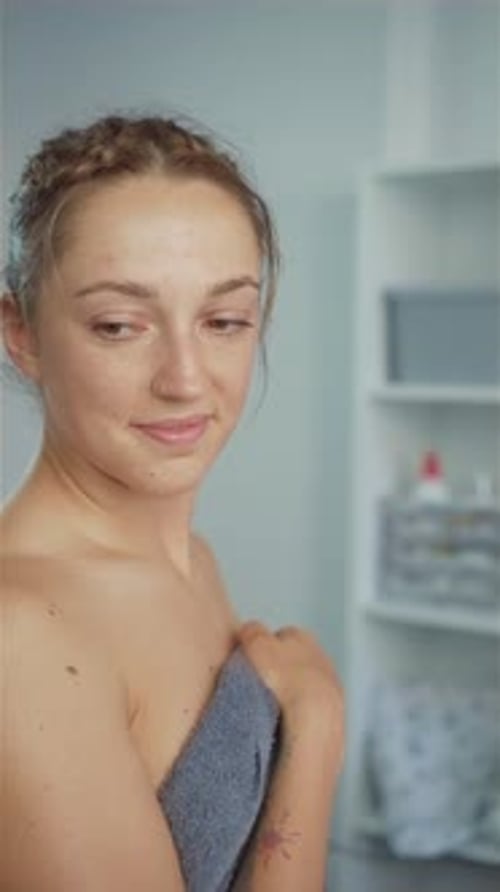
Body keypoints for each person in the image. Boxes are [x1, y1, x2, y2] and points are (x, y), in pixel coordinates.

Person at [0, 113, 344, 891]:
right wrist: (315, 739)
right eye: (120, 326)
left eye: (224, 321)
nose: (186, 378)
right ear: (21, 334)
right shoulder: (19, 637)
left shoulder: (190, 559)